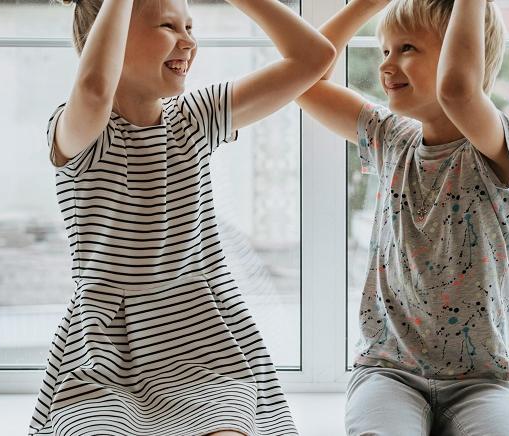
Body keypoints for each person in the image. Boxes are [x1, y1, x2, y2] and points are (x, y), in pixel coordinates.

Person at [28, 0, 335, 434]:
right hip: (107, 354)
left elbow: (313, 57)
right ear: (109, 36)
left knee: (228, 426)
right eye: (169, 26)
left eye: (190, 26)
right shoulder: (83, 134)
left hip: (204, 344)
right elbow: (96, 88)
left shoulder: (195, 118)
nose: (189, 41)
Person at [295, 0, 509, 434]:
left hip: (480, 381)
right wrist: (366, 5)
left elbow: (458, 92)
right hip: (388, 372)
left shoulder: (502, 147)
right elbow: (302, 81)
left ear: (460, 55)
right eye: (385, 50)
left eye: (406, 47)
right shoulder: (390, 137)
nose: (387, 64)